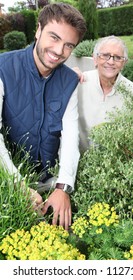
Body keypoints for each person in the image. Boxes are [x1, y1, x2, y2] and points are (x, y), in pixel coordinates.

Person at [0, 3, 86, 230]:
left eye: (68, 45)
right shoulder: (3, 68)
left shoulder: (69, 81)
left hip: (49, 182)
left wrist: (63, 187)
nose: (59, 51)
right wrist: (17, 185)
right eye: (54, 38)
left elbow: (70, 137)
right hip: (8, 179)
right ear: (38, 30)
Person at [77, 36, 133, 152]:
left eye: (117, 57)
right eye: (105, 55)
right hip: (79, 159)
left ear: (124, 63)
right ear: (95, 58)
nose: (111, 62)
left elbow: (132, 133)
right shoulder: (80, 82)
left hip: (112, 163)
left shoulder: (132, 91)